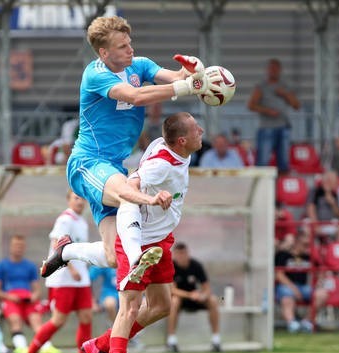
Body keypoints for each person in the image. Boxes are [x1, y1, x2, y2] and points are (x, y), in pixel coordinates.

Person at [40, 16, 216, 288]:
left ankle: (66, 251)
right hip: (87, 163)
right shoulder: (95, 74)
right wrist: (185, 87)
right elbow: (135, 97)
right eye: (122, 46)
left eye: (129, 43)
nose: (130, 49)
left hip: (113, 168)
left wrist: (195, 71)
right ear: (104, 52)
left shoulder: (139, 65)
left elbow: (177, 78)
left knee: (111, 256)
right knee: (129, 194)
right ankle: (136, 259)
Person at [80, 112, 204, 353]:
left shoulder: (175, 146)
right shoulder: (161, 163)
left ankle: (99, 346)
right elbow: (132, 184)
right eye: (195, 128)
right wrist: (151, 198)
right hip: (137, 236)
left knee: (162, 305)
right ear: (183, 140)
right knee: (130, 307)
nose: (202, 130)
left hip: (161, 239)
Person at [25, 191, 94, 353]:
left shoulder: (81, 221)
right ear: (68, 200)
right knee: (59, 320)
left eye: (82, 198)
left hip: (80, 279)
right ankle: (31, 351)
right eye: (76, 198)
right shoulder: (65, 219)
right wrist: (71, 268)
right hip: (64, 278)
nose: (80, 201)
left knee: (87, 316)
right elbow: (58, 244)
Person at [0, 234, 57, 353]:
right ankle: (21, 347)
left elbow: (37, 289)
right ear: (10, 247)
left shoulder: (30, 266)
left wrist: (34, 296)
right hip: (10, 298)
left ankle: (46, 347)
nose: (18, 248)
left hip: (27, 299)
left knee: (36, 320)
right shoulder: (2, 266)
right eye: (16, 245)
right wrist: (9, 297)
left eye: (21, 246)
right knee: (15, 319)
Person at [247, 58, 301, 174]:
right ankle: (261, 189)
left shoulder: (285, 86)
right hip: (266, 128)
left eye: (276, 69)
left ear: (280, 70)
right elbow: (251, 105)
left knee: (283, 162)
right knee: (263, 161)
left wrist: (285, 94)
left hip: (283, 127)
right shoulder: (261, 86)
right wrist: (267, 111)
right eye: (271, 69)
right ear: (267, 70)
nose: (273, 71)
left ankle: (282, 189)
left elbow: (296, 105)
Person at [166, 242, 221, 353]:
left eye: (183, 253)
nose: (181, 256)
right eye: (178, 254)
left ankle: (216, 340)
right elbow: (172, 290)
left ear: (188, 253)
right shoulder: (171, 267)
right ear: (174, 255)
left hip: (196, 298)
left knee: (214, 300)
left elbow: (206, 288)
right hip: (181, 299)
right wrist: (190, 295)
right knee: (174, 301)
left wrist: (202, 295)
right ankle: (171, 340)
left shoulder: (196, 265)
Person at [274, 232, 328, 333]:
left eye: (308, 245)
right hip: (285, 286)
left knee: (322, 294)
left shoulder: (308, 257)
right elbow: (279, 275)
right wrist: (294, 289)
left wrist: (319, 280)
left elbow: (320, 270)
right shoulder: (283, 255)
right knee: (287, 297)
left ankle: (306, 322)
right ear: (297, 242)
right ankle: (292, 324)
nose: (307, 247)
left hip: (303, 287)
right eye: (305, 245)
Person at [306, 170, 339, 242]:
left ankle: (335, 250)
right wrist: (316, 225)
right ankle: (311, 251)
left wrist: (333, 203)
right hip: (316, 221)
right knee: (307, 227)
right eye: (333, 181)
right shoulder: (315, 191)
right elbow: (310, 209)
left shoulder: (336, 194)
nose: (335, 184)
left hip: (330, 222)